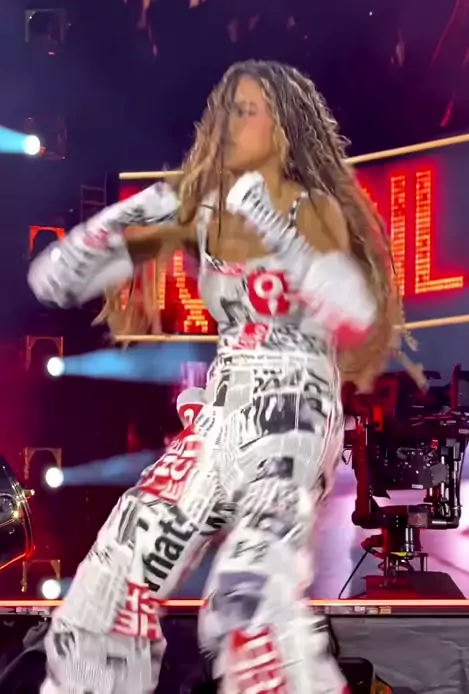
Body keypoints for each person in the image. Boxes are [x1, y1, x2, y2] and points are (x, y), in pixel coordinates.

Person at [29, 60, 408, 694]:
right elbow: (55, 279)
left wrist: (273, 225)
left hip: (293, 412)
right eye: (225, 110)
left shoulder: (313, 207)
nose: (230, 123)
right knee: (114, 576)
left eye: (247, 110)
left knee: (248, 604)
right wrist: (135, 212)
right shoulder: (202, 211)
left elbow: (354, 313)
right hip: (222, 414)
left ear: (282, 126)